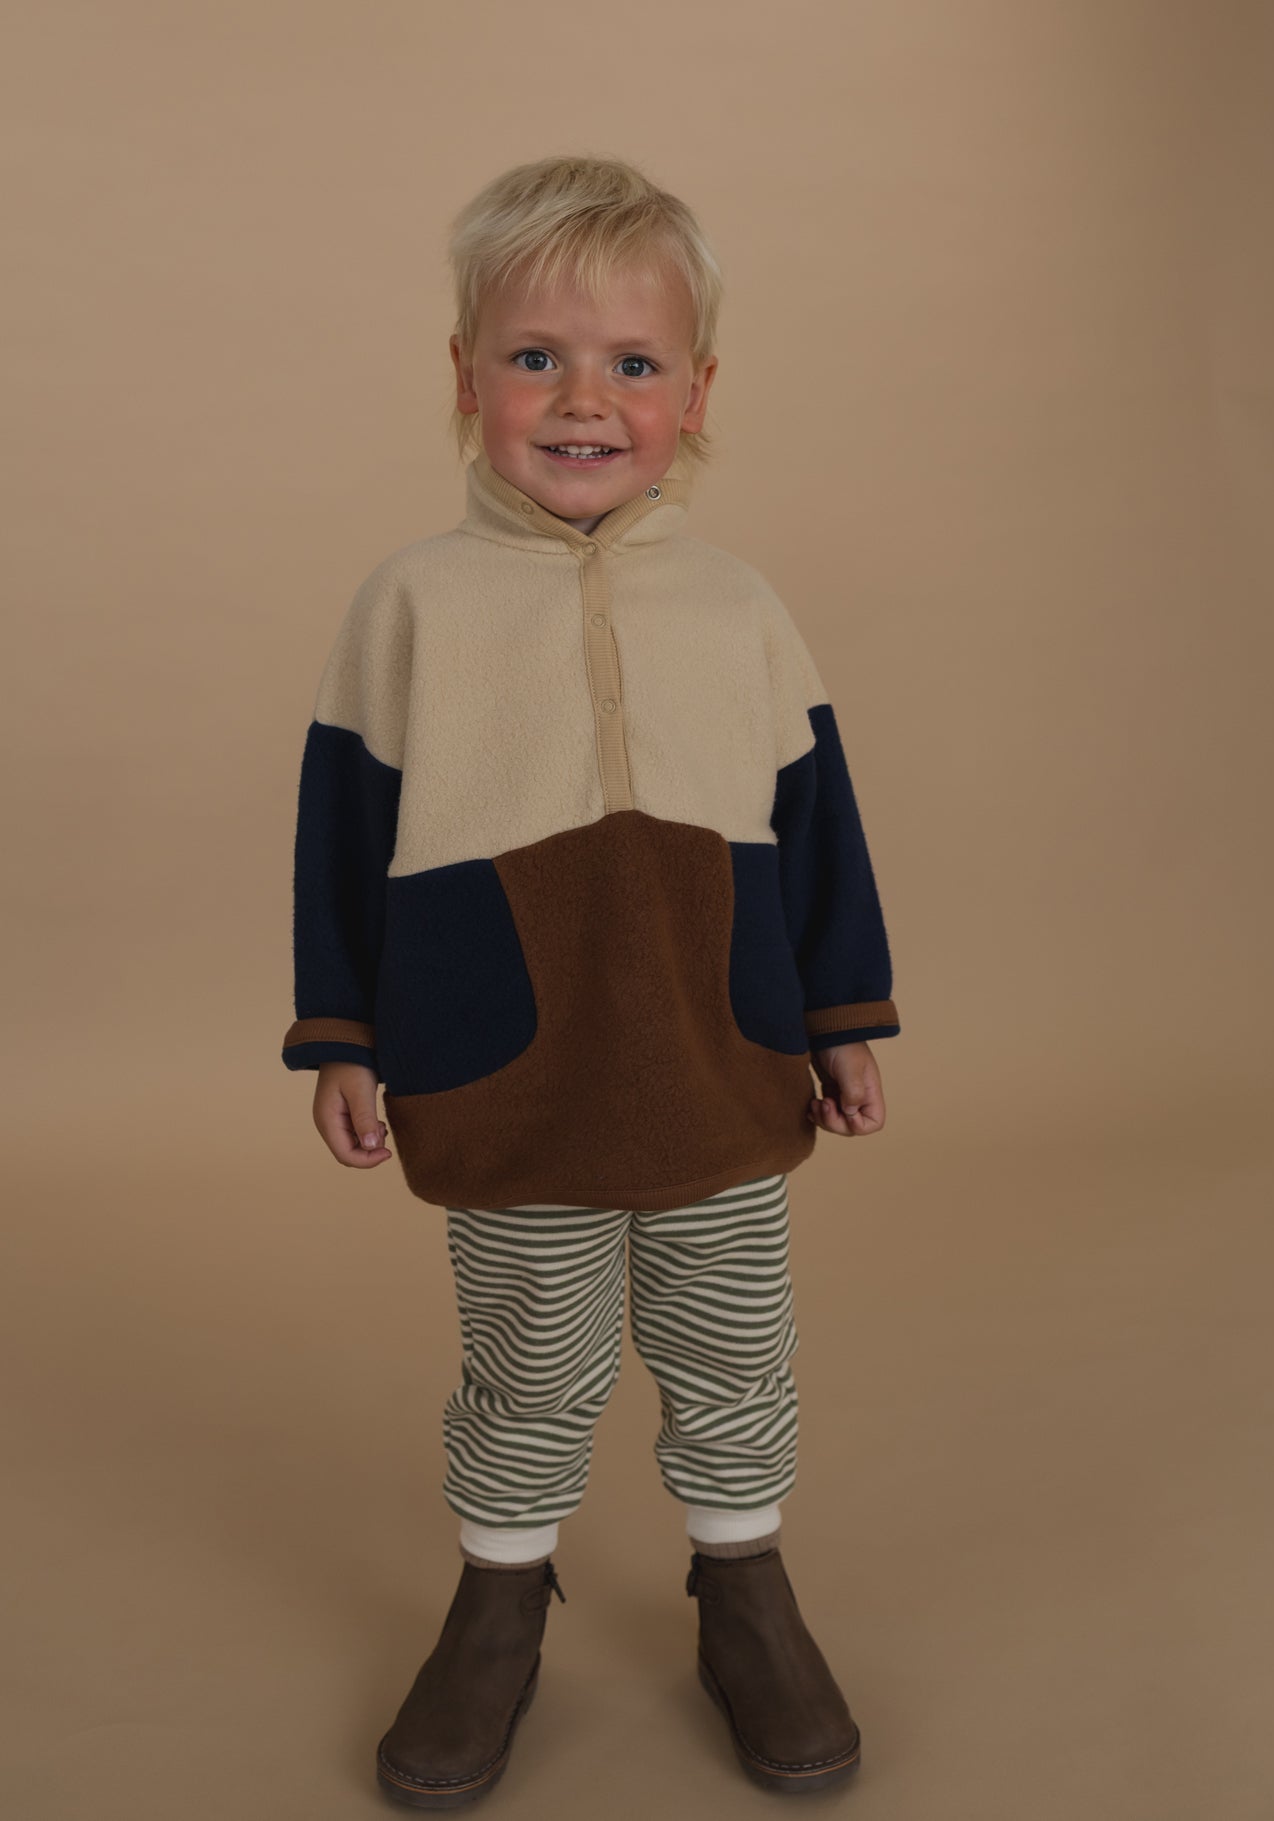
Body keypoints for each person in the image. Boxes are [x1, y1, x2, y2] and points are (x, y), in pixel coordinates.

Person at [281, 154, 900, 1806]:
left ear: (696, 394)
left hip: (719, 1054)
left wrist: (842, 1016)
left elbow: (818, 824)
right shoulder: (409, 601)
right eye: (534, 357)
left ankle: (741, 1580)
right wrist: (337, 1032)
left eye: (632, 364)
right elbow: (341, 837)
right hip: (501, 1063)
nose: (582, 399)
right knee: (529, 1358)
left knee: (729, 1344)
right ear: (465, 381)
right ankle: (498, 1595)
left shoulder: (742, 606)